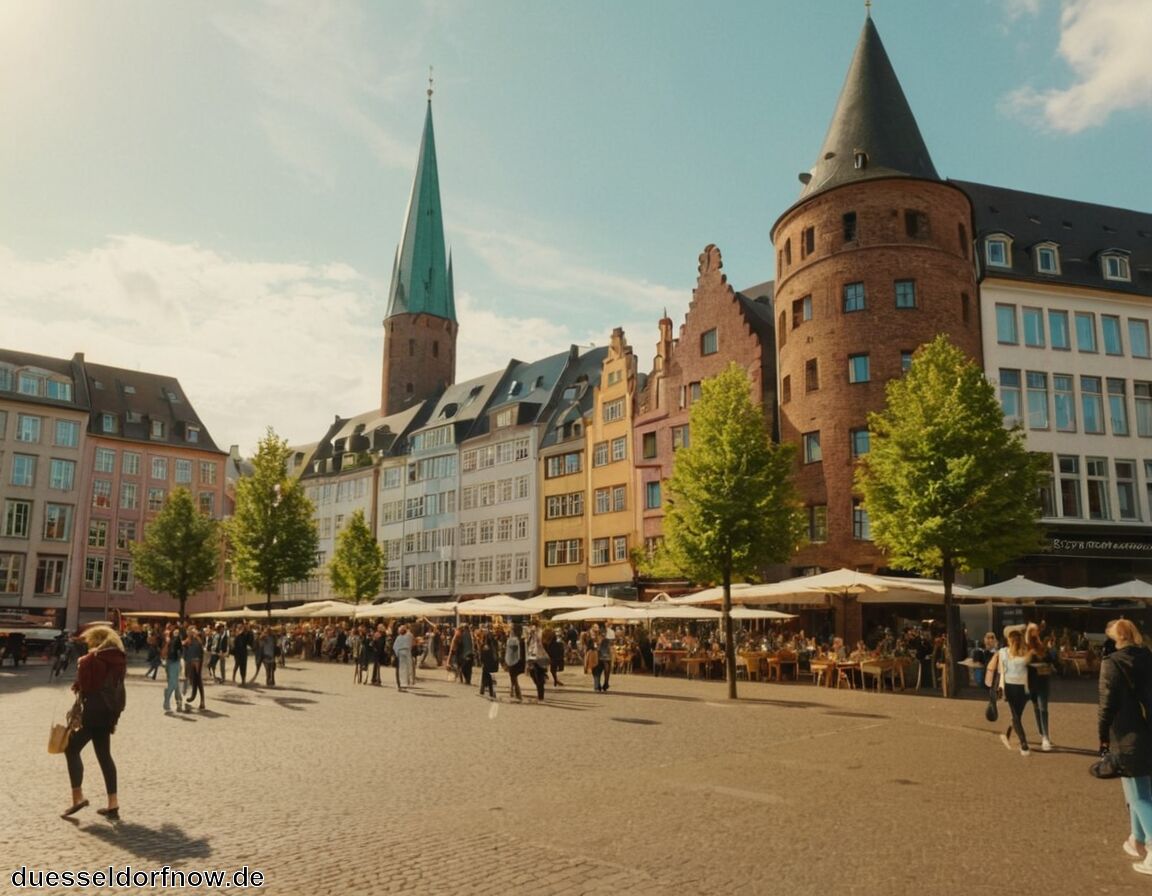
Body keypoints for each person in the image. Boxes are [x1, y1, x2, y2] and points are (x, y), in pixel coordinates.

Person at [1097, 618, 1152, 874]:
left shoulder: (1112, 663)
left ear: (1115, 638)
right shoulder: (1147, 657)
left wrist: (1102, 736)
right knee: (1138, 788)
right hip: (1147, 729)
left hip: (1126, 732)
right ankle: (1136, 838)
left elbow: (1106, 704)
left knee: (1138, 795)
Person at [61, 626, 126, 821]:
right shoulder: (119, 658)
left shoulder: (93, 659)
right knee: (104, 755)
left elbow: (86, 684)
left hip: (93, 711)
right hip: (109, 712)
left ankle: (77, 797)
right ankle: (112, 805)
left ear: (96, 641)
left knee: (71, 749)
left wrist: (83, 665)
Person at [986, 626, 1033, 755]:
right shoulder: (1027, 651)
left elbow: (1002, 672)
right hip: (1025, 688)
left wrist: (1000, 688)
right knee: (1018, 715)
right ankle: (1016, 734)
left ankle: (1024, 744)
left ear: (1008, 640)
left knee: (1016, 716)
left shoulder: (1003, 652)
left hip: (1011, 686)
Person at [1026, 622, 1056, 751]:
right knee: (1036, 708)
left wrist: (1051, 649)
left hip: (1043, 681)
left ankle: (1045, 737)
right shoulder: (1025, 647)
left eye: (1036, 631)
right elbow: (1022, 663)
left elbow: (1052, 660)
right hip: (1030, 682)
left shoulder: (1042, 647)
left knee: (1043, 708)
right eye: (1033, 631)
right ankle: (1041, 732)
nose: (1035, 633)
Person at [161, 626, 184, 714]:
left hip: (175, 663)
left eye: (177, 633)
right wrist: (167, 643)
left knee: (172, 683)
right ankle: (179, 702)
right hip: (169, 663)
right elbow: (163, 654)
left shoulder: (177, 640)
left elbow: (180, 652)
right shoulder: (167, 642)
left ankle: (166, 701)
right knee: (175, 683)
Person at [183, 627, 206, 711]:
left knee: (198, 680)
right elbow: (185, 651)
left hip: (197, 661)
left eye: (192, 631)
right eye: (188, 631)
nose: (190, 632)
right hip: (190, 662)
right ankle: (193, 696)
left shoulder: (198, 639)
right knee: (193, 680)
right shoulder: (187, 640)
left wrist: (196, 636)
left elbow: (201, 648)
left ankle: (202, 701)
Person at [525, 625, 547, 703]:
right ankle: (540, 694)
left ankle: (541, 697)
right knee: (533, 675)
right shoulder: (531, 637)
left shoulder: (541, 635)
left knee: (539, 677)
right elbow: (528, 646)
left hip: (540, 658)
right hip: (532, 658)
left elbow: (542, 645)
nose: (531, 631)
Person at [504, 622, 524, 702]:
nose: (510, 630)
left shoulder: (513, 640)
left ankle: (518, 694)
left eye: (511, 629)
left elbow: (511, 652)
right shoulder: (520, 640)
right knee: (513, 677)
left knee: (513, 677)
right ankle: (513, 691)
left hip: (514, 661)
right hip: (518, 661)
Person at [393, 624, 413, 690]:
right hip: (405, 653)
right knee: (405, 669)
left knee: (403, 669)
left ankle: (404, 684)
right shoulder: (408, 636)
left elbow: (395, 647)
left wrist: (397, 653)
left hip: (402, 654)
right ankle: (405, 683)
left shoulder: (400, 637)